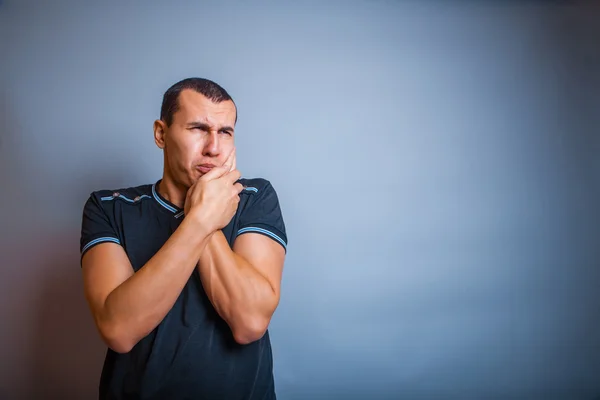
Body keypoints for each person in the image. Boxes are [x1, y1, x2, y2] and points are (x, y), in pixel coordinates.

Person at [79, 77, 288, 399]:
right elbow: (119, 330)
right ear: (161, 134)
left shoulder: (254, 197)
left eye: (225, 132)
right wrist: (200, 217)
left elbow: (249, 323)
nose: (213, 148)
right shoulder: (108, 207)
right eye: (198, 129)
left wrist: (206, 210)